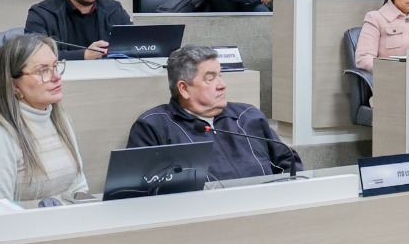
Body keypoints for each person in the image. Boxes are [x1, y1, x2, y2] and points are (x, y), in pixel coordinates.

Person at [127, 45, 300, 181]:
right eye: (210, 78)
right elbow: (139, 187)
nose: (221, 85)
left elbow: (290, 164)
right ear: (184, 88)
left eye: (220, 75)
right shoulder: (153, 126)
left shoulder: (248, 115)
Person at [0, 34, 90, 205]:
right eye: (42, 71)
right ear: (14, 85)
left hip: (68, 227)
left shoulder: (62, 121)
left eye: (55, 66)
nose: (56, 77)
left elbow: (78, 190)